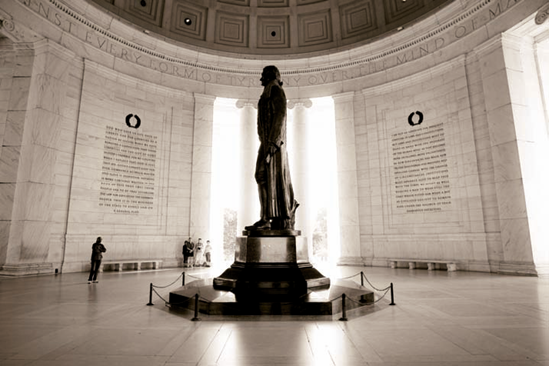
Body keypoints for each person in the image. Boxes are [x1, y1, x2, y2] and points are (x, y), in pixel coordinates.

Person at [245, 65, 299, 231]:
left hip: (274, 145)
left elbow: (279, 117)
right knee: (261, 176)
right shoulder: (267, 91)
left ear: (271, 75)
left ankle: (269, 218)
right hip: (266, 142)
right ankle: (266, 217)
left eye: (265, 74)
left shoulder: (276, 90)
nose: (262, 76)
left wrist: (272, 145)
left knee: (267, 177)